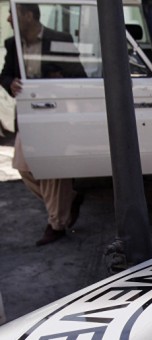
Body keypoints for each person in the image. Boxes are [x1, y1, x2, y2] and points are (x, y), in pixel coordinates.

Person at [0, 4, 84, 246]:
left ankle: (56, 224)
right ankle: (69, 200)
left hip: (54, 116)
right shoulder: (11, 44)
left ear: (28, 16)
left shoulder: (60, 39)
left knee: (52, 171)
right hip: (27, 115)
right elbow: (4, 74)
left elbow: (77, 73)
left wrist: (56, 81)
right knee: (24, 167)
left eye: (13, 14)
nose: (8, 19)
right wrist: (10, 83)